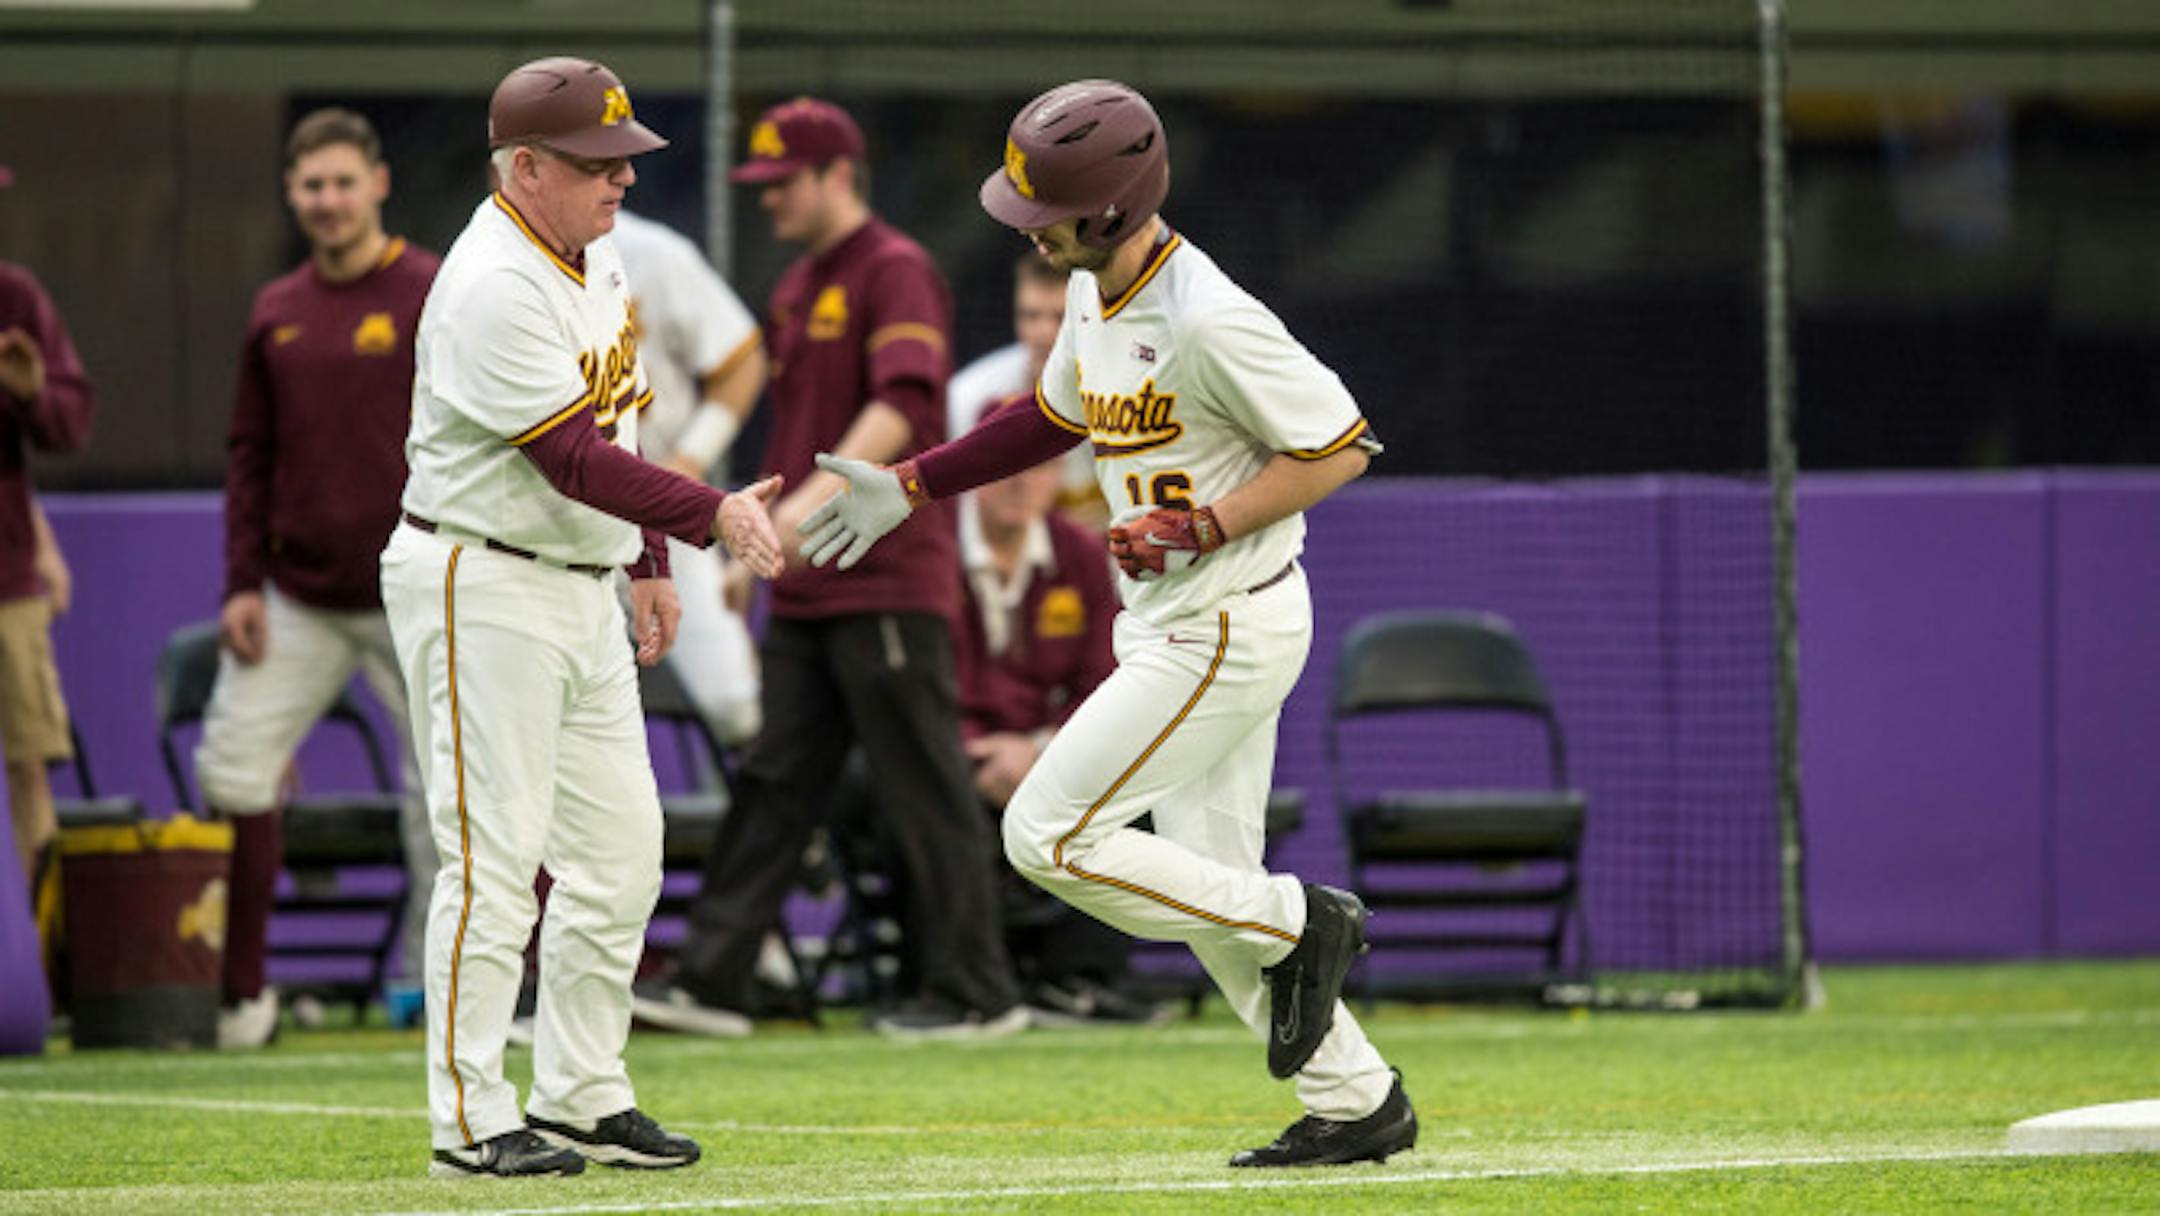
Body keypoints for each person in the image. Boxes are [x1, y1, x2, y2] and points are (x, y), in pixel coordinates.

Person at [798, 79, 1418, 1168]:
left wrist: (1208, 521)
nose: (1027, 223)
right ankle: (1359, 1096)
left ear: (1115, 207)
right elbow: (1048, 415)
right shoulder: (1095, 289)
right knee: (1193, 875)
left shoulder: (1208, 316)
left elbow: (1344, 442)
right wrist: (909, 484)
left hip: (1226, 621)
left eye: (1047, 208)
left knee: (1046, 835)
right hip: (1179, 619)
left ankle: (1298, 918)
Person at [380, 55, 783, 1179]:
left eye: (624, 161)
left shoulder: (590, 250)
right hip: (480, 578)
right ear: (524, 168)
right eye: (596, 164)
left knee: (619, 857)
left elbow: (623, 414)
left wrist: (649, 555)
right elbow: (566, 457)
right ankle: (469, 1117)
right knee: (494, 862)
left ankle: (580, 1093)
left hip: (575, 579)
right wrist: (711, 517)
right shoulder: (489, 281)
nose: (620, 182)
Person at [631, 96, 1022, 1041]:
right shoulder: (801, 285)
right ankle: (714, 981)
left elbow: (900, 408)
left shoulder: (896, 269)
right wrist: (766, 534)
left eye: (781, 183)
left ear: (837, 174)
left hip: (886, 577)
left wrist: (791, 519)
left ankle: (978, 992)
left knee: (921, 783)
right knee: (772, 778)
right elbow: (803, 428)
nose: (767, 202)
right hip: (809, 582)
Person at [197, 108, 443, 1049]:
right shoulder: (275, 310)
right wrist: (240, 585)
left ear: (378, 182)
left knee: (452, 799)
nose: (328, 201)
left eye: (344, 182)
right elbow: (248, 454)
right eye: (311, 186)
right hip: (295, 596)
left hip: (414, 585)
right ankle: (240, 998)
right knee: (232, 767)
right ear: (291, 195)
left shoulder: (433, 290)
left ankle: (451, 994)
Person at [948, 394, 1150, 1024]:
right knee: (924, 796)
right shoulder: (926, 553)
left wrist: (1039, 749)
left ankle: (1077, 979)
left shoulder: (1083, 557)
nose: (1020, 480)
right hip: (950, 754)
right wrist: (975, 748)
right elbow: (913, 682)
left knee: (1134, 789)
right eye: (1004, 463)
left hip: (1041, 752)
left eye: (1038, 465)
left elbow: (1106, 683)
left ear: (1060, 476)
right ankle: (964, 986)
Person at [608, 209, 767, 748]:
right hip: (552, 524)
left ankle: (778, 830)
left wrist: (691, 461)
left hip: (660, 508)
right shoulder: (490, 261)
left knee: (735, 704)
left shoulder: (651, 252)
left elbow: (741, 361)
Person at [0, 160, 94, 892]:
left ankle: (49, 969)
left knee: (27, 766)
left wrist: (31, 396)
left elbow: (70, 424)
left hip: (7, 580)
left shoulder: (14, 296)